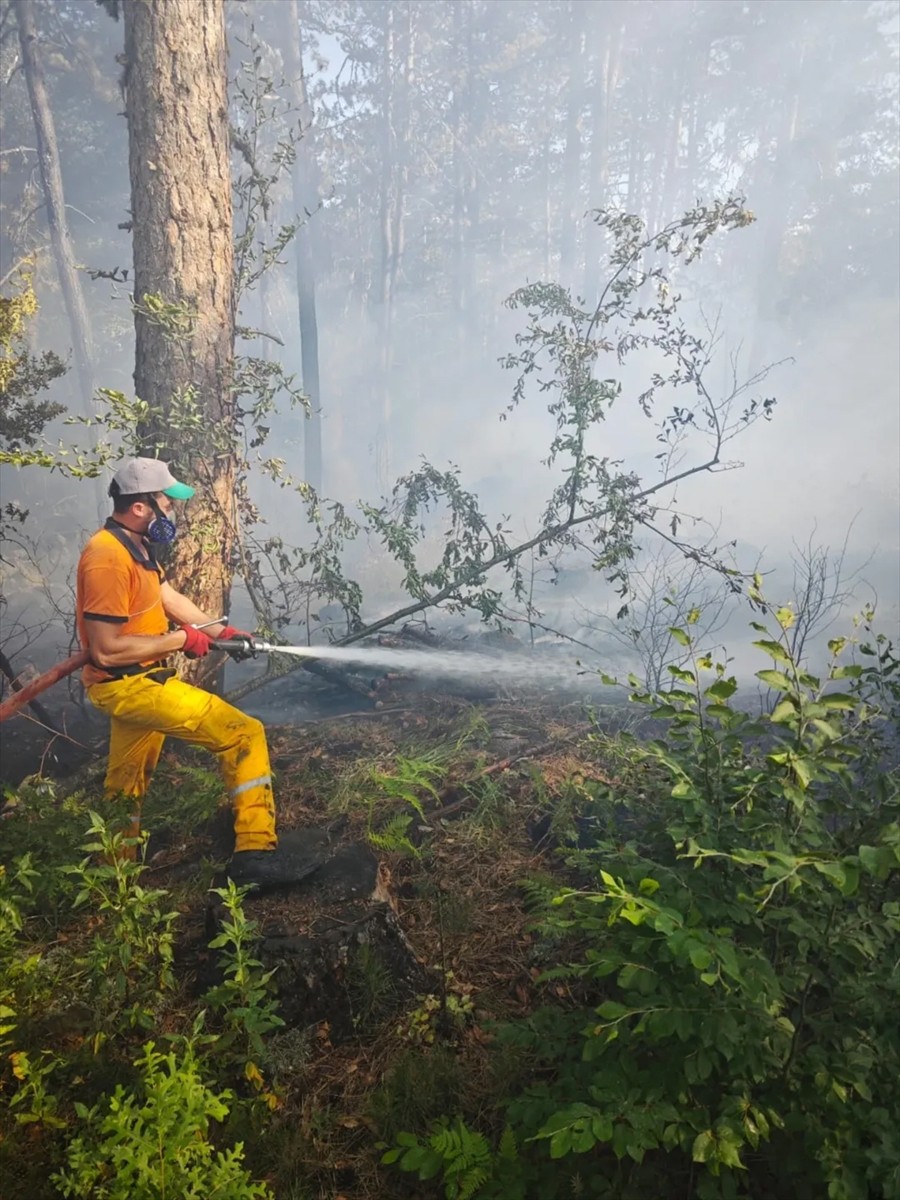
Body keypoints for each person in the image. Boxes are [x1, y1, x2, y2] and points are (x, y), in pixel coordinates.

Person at [75, 456, 320, 888]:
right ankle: (255, 853)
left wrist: (219, 629)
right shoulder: (107, 557)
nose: (173, 511)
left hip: (141, 680)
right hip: (128, 685)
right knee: (244, 733)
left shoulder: (134, 547)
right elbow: (106, 651)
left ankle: (113, 882)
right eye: (167, 503)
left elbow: (165, 595)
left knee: (124, 790)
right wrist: (181, 640)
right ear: (139, 508)